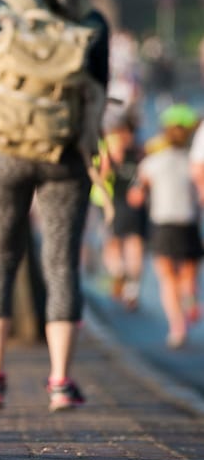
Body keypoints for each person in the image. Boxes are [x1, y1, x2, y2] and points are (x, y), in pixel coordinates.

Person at [0, 0, 109, 412]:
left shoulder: (3, 11)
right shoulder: (91, 22)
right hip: (64, 155)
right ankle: (61, 382)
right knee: (62, 263)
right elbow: (97, 93)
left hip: (3, 150)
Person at [129, 104, 201, 349]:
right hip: (188, 223)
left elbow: (136, 195)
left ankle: (177, 327)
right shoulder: (194, 162)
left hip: (162, 224)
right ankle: (190, 298)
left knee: (167, 279)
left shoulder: (152, 162)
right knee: (188, 274)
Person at [92, 109, 146, 311]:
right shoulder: (106, 151)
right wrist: (108, 157)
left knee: (133, 243)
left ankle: (130, 286)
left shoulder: (139, 152)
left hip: (128, 204)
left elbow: (146, 177)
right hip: (109, 201)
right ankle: (120, 276)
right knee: (114, 242)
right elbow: (101, 176)